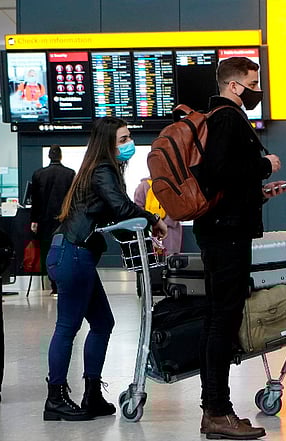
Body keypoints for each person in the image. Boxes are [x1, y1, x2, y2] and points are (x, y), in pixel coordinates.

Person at [43, 117, 167, 421]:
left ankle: (92, 394)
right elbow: (123, 209)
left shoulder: (98, 172)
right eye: (122, 140)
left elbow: (115, 219)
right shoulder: (103, 170)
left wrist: (145, 233)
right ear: (107, 145)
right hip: (73, 255)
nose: (128, 145)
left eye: (128, 138)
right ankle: (55, 399)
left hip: (74, 253)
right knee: (67, 327)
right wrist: (153, 219)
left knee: (102, 323)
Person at [193, 56, 286, 440]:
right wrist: (265, 165)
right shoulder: (228, 118)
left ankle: (215, 408)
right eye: (253, 81)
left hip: (222, 227)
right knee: (223, 320)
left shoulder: (218, 118)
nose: (256, 88)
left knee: (220, 317)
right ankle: (217, 411)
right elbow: (220, 172)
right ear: (234, 85)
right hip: (226, 235)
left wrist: (258, 194)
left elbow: (224, 185)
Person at [30, 144, 75, 294]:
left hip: (44, 220)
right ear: (61, 156)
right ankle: (62, 283)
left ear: (49, 156)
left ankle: (52, 283)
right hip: (63, 219)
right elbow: (72, 198)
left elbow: (34, 200)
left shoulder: (38, 174)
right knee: (63, 250)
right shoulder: (69, 174)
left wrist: (34, 220)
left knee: (47, 251)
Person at [133, 177, 182, 255]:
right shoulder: (173, 185)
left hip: (150, 229)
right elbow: (178, 207)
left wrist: (151, 222)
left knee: (151, 258)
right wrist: (166, 223)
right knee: (171, 258)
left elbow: (138, 207)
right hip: (170, 230)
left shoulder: (143, 186)